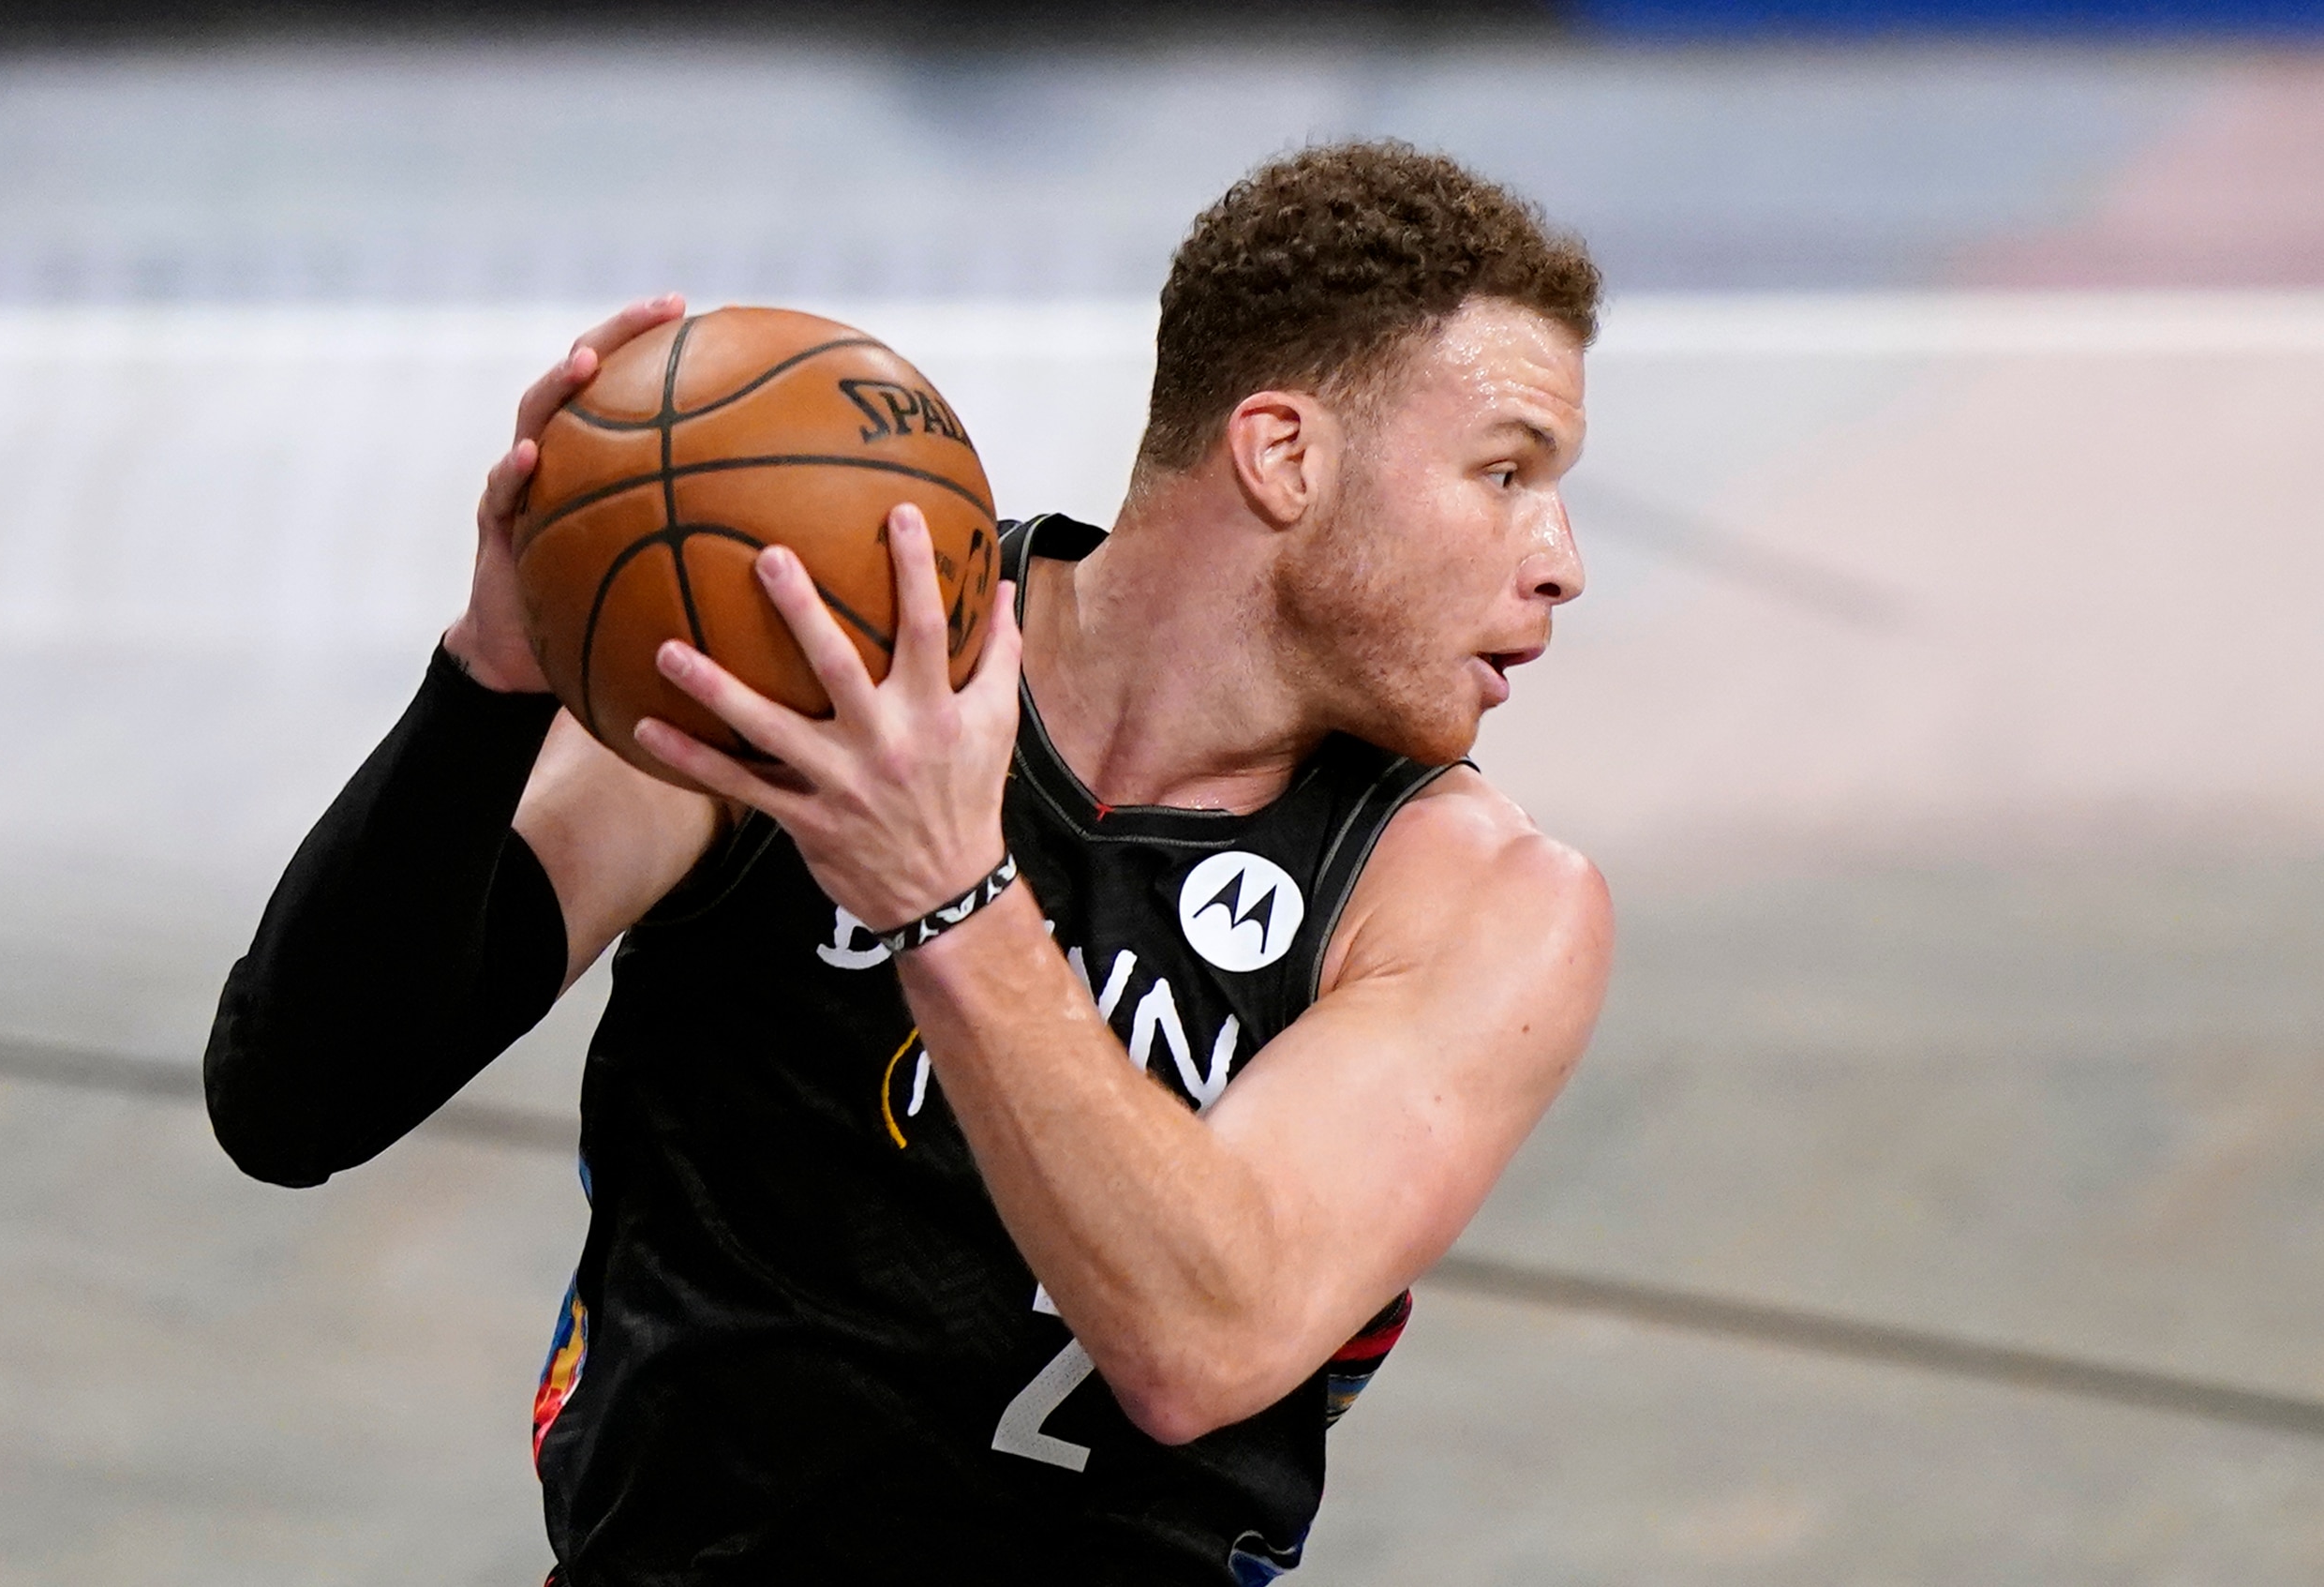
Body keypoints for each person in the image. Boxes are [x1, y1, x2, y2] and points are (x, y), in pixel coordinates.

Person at [203, 140, 1613, 1585]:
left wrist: (949, 895)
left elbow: (1202, 1339)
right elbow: (292, 1100)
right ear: (1283, 453)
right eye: (1505, 472)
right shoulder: (821, 657)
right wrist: (490, 683)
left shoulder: (1475, 899)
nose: (1561, 556)